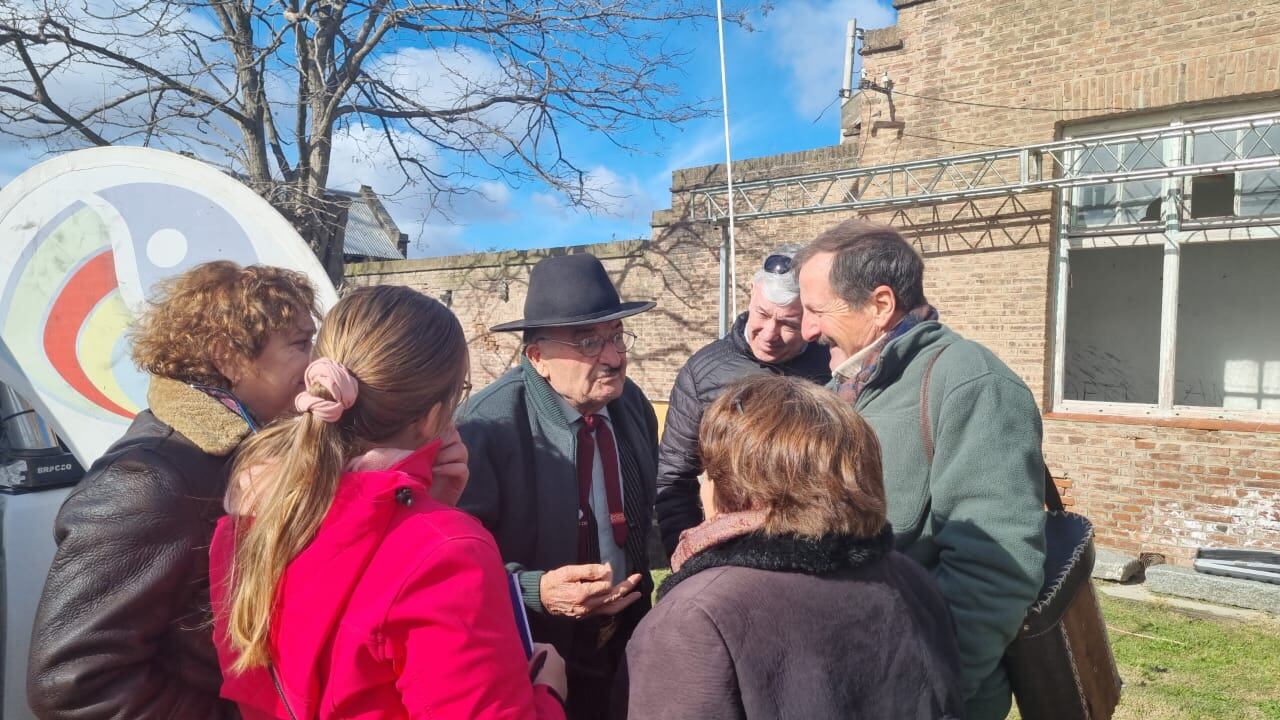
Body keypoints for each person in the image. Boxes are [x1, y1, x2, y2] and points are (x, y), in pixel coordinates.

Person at [210, 285, 567, 719]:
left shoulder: (250, 518)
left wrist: (422, 507)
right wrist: (549, 694)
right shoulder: (449, 554)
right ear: (434, 415)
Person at [27, 261, 319, 719]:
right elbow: (75, 686)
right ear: (228, 357)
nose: (316, 363)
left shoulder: (240, 453)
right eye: (301, 344)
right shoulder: (148, 483)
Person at [794, 219, 1047, 720]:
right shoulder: (844, 388)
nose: (806, 330)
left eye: (816, 310)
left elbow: (996, 572)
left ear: (881, 305)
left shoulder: (970, 383)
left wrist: (929, 694)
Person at [623, 375, 965, 719]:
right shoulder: (909, 577)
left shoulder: (696, 617)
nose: (703, 485)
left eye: (709, 471)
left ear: (735, 488)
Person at [457, 253, 659, 720]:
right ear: (538, 357)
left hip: (628, 641)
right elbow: (457, 564)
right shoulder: (486, 426)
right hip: (540, 658)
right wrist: (534, 591)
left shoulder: (632, 407)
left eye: (617, 337)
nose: (613, 357)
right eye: (589, 342)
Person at [654, 246, 830, 556]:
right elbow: (673, 479)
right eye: (762, 314)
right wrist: (688, 560)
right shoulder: (703, 372)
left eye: (789, 324)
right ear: (752, 292)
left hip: (815, 552)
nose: (770, 333)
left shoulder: (833, 368)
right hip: (729, 554)